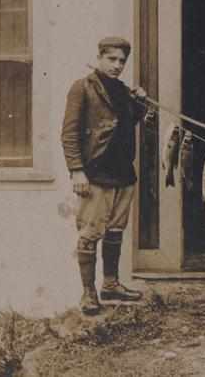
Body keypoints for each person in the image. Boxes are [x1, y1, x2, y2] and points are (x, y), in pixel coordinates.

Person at [61, 37, 154, 315]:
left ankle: (110, 284)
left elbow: (126, 122)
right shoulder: (82, 88)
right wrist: (77, 169)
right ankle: (88, 294)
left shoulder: (124, 91)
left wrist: (140, 103)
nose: (117, 65)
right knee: (90, 233)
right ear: (100, 57)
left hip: (123, 173)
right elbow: (69, 133)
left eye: (122, 61)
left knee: (115, 231)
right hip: (96, 173)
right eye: (112, 59)